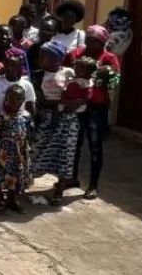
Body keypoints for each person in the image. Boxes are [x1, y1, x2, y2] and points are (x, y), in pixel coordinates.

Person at [64, 25, 120, 199]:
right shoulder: (75, 54)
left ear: (102, 42)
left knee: (95, 146)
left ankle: (93, 185)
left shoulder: (109, 58)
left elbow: (115, 82)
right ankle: (72, 178)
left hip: (96, 108)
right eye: (88, 40)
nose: (90, 44)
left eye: (95, 41)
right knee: (74, 143)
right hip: (75, 106)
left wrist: (103, 73)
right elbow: (65, 75)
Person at [31, 41, 77, 205]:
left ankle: (59, 190)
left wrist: (71, 104)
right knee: (37, 151)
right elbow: (41, 101)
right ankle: (25, 182)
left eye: (44, 56)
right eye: (40, 55)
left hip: (68, 121)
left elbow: (78, 93)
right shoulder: (37, 76)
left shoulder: (69, 73)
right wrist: (62, 103)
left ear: (57, 59)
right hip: (46, 120)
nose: (40, 59)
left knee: (65, 155)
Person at [0, 85, 32, 213]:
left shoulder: (26, 116)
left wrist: (27, 150)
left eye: (19, 99)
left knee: (16, 177)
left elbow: (29, 133)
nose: (15, 102)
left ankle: (12, 200)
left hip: (19, 153)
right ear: (5, 99)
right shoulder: (1, 117)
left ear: (23, 100)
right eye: (11, 99)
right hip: (3, 154)